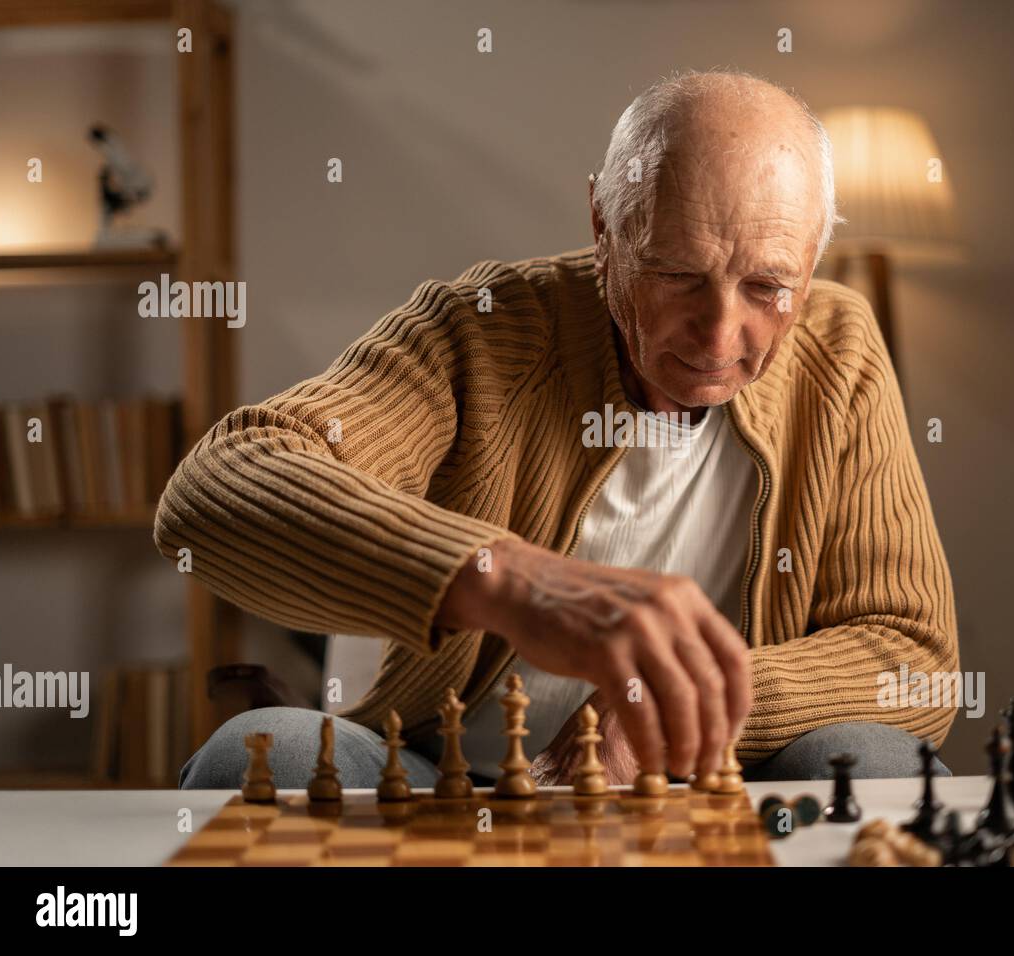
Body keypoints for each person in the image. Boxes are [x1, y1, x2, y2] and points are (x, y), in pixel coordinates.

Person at [162, 69, 959, 790]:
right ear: (602, 224)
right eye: (677, 273)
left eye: (767, 285)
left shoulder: (839, 348)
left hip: (712, 773)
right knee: (266, 750)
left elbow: (913, 656)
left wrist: (672, 707)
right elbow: (214, 486)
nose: (720, 335)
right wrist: (509, 583)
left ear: (814, 260)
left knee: (874, 762)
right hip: (445, 776)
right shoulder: (476, 331)